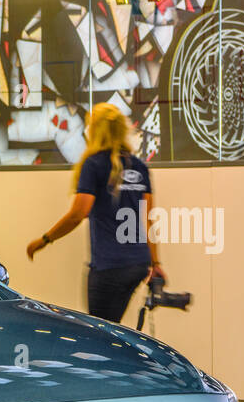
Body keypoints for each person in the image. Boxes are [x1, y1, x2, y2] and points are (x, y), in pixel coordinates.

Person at [25, 103, 163, 323]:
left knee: (100, 333)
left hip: (109, 265)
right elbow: (148, 220)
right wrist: (156, 263)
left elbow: (78, 213)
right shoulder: (139, 166)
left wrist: (44, 240)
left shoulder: (94, 164)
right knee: (112, 326)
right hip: (138, 264)